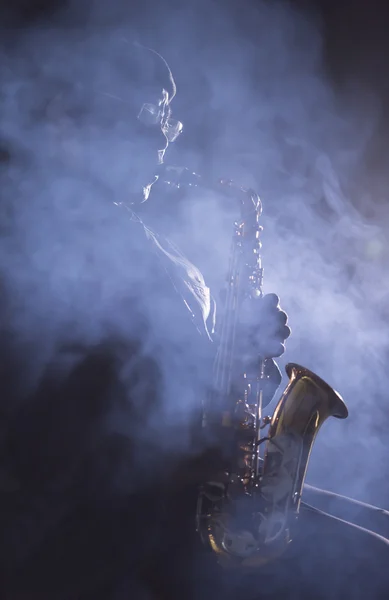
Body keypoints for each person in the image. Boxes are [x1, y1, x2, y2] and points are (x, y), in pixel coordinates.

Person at [0, 38, 388, 600]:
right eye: (148, 115)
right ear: (69, 120)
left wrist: (244, 350)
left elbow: (194, 386)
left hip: (193, 496)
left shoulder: (160, 252)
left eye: (167, 121)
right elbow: (49, 439)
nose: (162, 137)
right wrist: (180, 457)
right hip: (128, 528)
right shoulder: (29, 243)